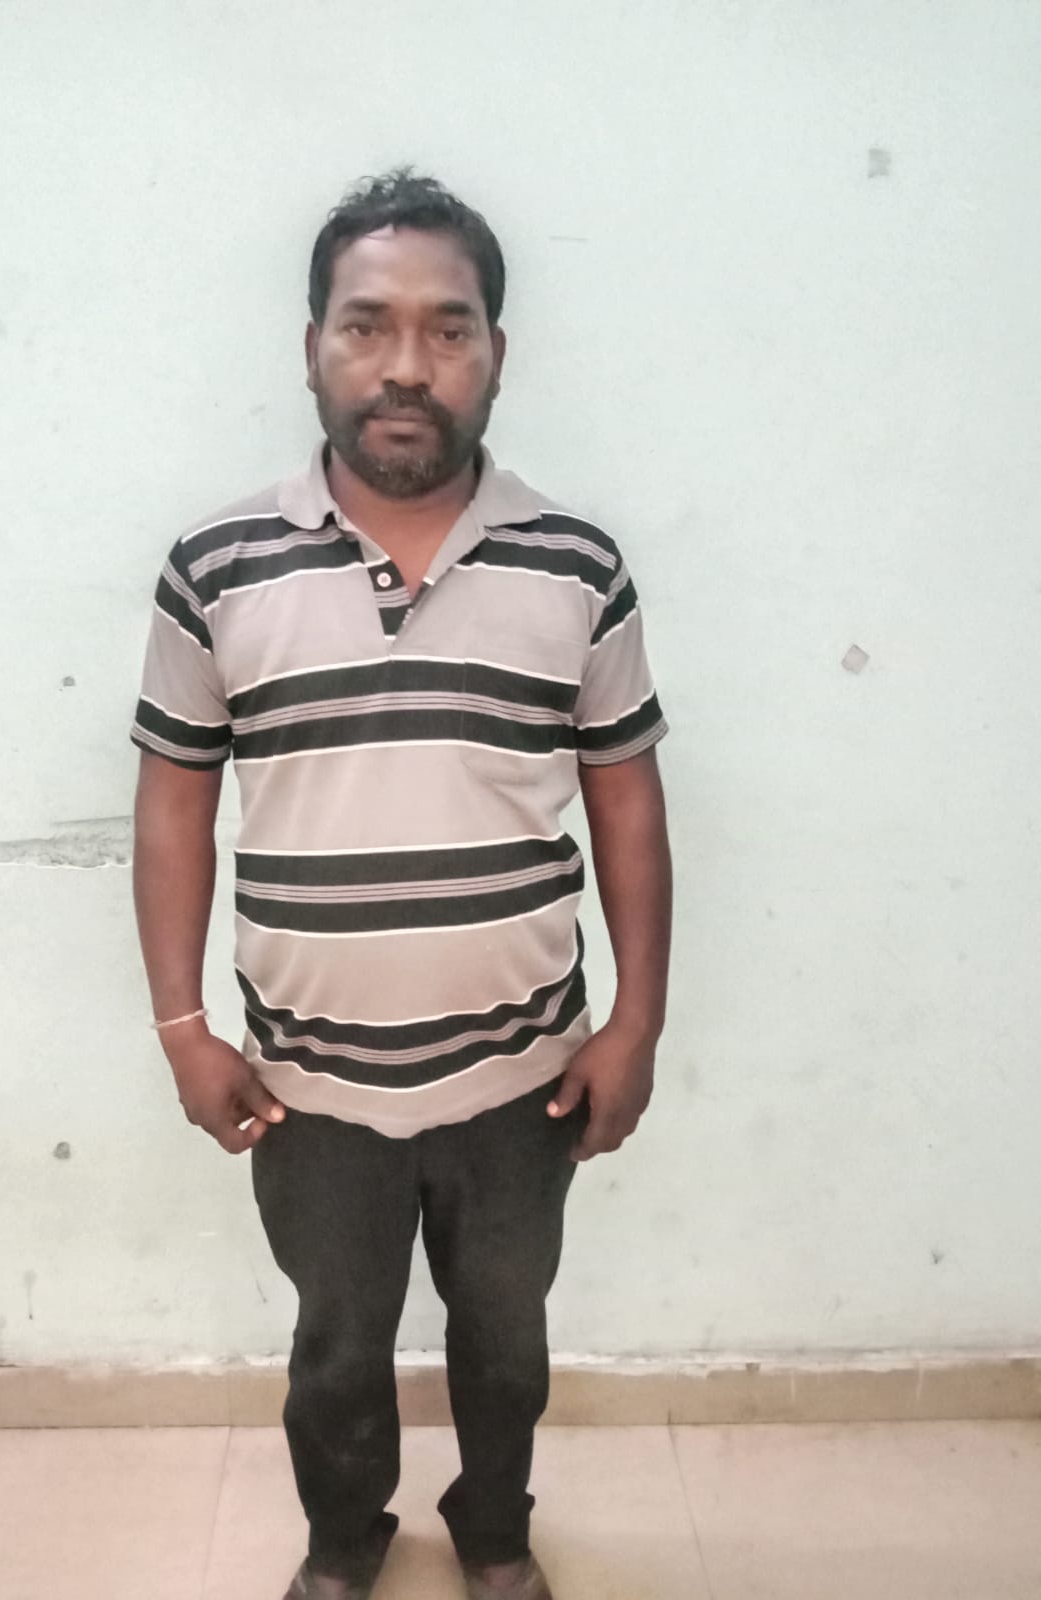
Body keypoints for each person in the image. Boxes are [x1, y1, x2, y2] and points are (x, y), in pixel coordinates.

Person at [131, 169, 672, 1600]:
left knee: (506, 1337)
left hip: (523, 1071)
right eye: (367, 324)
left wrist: (635, 1023)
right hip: (306, 1080)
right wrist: (184, 1029)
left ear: (497, 351)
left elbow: (625, 793)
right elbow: (176, 798)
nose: (406, 365)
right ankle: (342, 1540)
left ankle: (494, 1531)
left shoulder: (577, 566)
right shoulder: (216, 568)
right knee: (336, 1345)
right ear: (312, 344)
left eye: (449, 327)